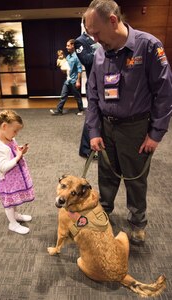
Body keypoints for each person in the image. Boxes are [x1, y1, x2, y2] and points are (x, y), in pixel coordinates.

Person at [84, 0, 172, 245]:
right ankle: (104, 214)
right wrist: (94, 130)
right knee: (107, 175)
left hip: (135, 127)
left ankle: (137, 222)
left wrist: (155, 134)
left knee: (135, 179)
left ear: (113, 20)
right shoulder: (101, 50)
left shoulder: (149, 46)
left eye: (96, 33)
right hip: (107, 126)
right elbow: (92, 94)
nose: (95, 39)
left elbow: (164, 95)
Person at [0, 110, 35, 235]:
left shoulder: (9, 138)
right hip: (6, 180)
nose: (16, 134)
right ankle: (13, 223)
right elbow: (3, 167)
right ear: (4, 127)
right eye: (15, 130)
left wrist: (20, 150)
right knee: (9, 202)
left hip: (14, 177)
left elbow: (13, 150)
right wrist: (17, 157)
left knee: (14, 199)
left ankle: (15, 215)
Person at [74, 20, 100, 158]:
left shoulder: (101, 37)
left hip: (105, 83)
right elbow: (86, 60)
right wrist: (101, 48)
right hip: (92, 83)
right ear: (85, 24)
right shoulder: (80, 41)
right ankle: (85, 149)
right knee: (92, 115)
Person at [50, 39, 84, 116]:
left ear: (73, 46)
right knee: (63, 95)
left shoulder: (77, 57)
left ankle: (81, 110)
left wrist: (78, 81)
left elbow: (79, 70)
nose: (66, 47)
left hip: (74, 80)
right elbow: (66, 68)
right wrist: (62, 69)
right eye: (66, 45)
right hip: (67, 80)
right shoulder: (68, 57)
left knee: (77, 97)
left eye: (68, 45)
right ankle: (59, 110)